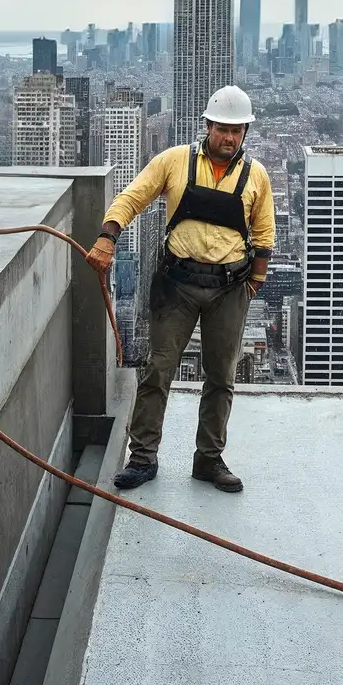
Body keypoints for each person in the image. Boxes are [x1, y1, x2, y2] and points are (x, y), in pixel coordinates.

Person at [86, 85, 274, 494]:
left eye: (237, 131)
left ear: (245, 134)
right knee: (157, 371)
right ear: (207, 126)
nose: (229, 137)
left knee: (222, 377)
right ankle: (142, 457)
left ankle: (208, 459)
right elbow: (132, 196)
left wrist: (252, 283)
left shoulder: (255, 175)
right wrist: (108, 235)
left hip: (229, 288)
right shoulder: (175, 161)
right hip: (177, 286)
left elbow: (264, 235)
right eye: (223, 129)